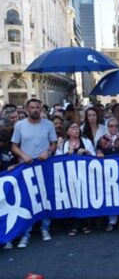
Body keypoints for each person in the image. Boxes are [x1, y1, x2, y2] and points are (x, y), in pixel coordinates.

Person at [11, 98, 57, 248]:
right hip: (26, 166)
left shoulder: (49, 125)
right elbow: (14, 146)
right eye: (32, 107)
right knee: (27, 199)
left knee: (45, 197)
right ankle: (26, 233)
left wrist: (48, 151)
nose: (35, 110)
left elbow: (54, 144)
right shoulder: (19, 125)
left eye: (38, 107)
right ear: (26, 109)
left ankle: (45, 228)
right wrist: (23, 155)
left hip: (44, 165)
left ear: (41, 109)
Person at [56, 122, 95, 236]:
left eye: (77, 128)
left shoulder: (86, 142)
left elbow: (94, 156)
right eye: (73, 128)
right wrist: (67, 154)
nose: (76, 130)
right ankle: (74, 225)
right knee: (72, 199)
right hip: (69, 176)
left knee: (84, 199)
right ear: (67, 131)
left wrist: (86, 152)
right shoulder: (63, 143)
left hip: (84, 176)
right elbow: (56, 159)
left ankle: (85, 224)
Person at [96, 118, 119, 231]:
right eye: (111, 126)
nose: (113, 128)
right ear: (107, 127)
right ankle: (112, 220)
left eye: (116, 126)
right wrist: (99, 153)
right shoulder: (101, 140)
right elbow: (97, 150)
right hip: (107, 173)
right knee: (110, 195)